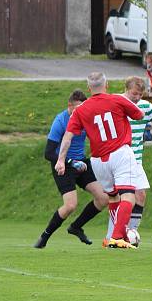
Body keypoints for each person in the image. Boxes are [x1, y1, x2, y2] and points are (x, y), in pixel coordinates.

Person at [55, 72, 145, 249]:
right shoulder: (117, 100)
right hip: (119, 153)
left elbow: (68, 136)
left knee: (112, 197)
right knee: (128, 196)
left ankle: (114, 235)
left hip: (98, 160)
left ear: (89, 88)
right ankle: (118, 237)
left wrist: (60, 160)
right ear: (107, 85)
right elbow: (139, 115)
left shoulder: (80, 109)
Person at [34, 90, 108, 248]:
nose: (81, 111)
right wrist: (68, 161)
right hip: (63, 165)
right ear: (69, 106)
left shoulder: (86, 118)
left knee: (104, 198)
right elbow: (48, 153)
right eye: (78, 108)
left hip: (81, 163)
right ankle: (44, 236)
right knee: (70, 205)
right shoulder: (60, 121)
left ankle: (76, 227)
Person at [113, 76, 152, 240]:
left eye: (140, 94)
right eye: (134, 93)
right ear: (126, 89)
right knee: (121, 198)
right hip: (119, 159)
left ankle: (131, 232)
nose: (136, 97)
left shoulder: (145, 107)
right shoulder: (116, 103)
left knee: (140, 195)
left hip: (136, 160)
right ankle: (117, 233)